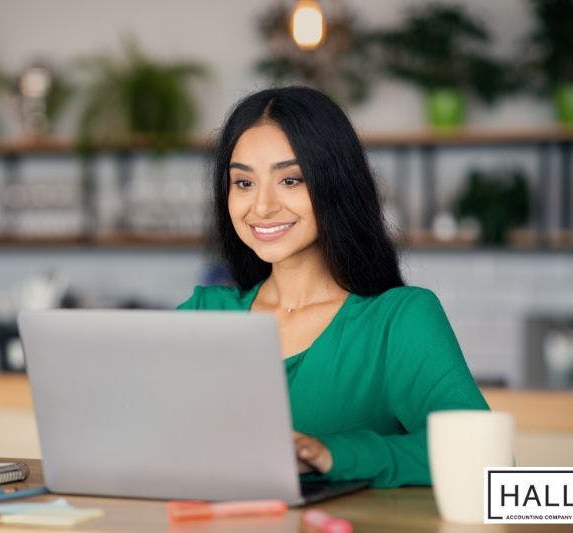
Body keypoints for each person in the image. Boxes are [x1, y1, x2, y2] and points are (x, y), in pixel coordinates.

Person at [177, 86, 488, 488]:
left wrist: (332, 453)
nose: (262, 206)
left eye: (290, 180)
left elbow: (480, 455)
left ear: (335, 184)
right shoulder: (203, 315)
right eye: (243, 183)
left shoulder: (398, 320)